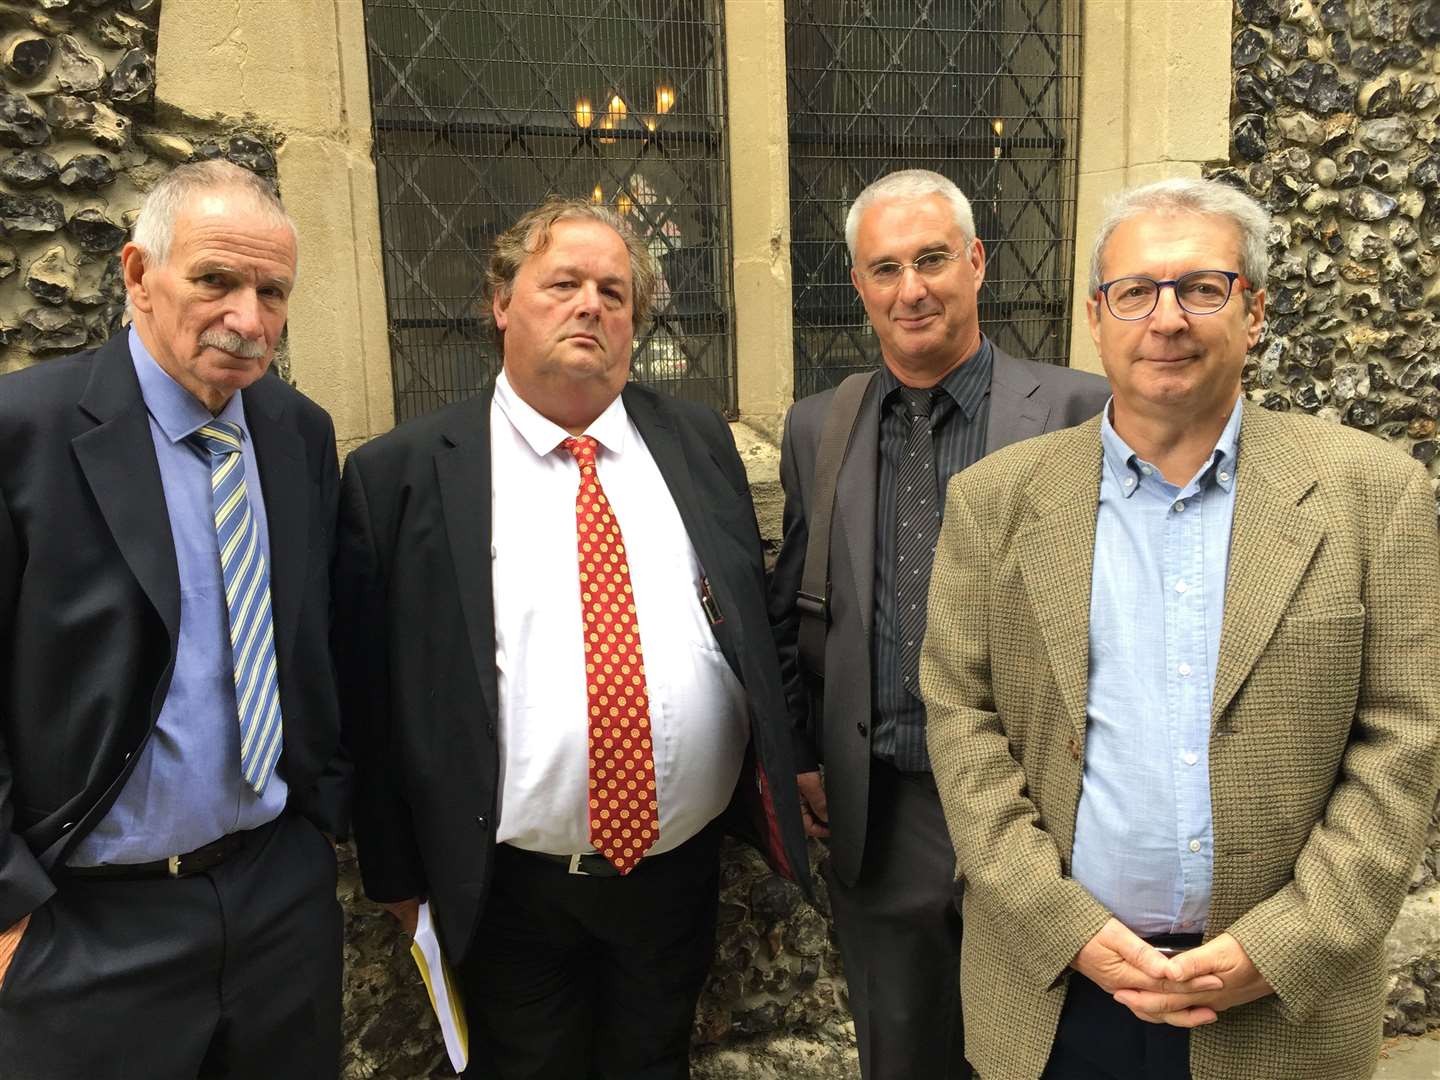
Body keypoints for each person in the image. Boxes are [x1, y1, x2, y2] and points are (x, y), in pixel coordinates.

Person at [922, 176, 1440, 1080]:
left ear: (1255, 312)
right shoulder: (997, 502)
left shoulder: (1372, 495)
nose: (1167, 319)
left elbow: (1404, 740)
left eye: (1203, 287)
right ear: (1097, 317)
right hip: (1057, 993)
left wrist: (1285, 946)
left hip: (1280, 1008)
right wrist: (1061, 925)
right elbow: (961, 721)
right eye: (1136, 292)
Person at [335, 196, 811, 1079]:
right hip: (509, 882)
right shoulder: (402, 475)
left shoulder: (699, 442)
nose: (591, 304)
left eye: (614, 291)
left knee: (657, 1059)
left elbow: (753, 617)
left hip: (678, 871)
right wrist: (397, 876)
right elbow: (373, 691)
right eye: (564, 283)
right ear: (501, 302)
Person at [0, 159, 348, 1078]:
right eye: (215, 281)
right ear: (135, 276)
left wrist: (325, 827)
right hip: (87, 928)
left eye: (272, 292)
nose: (248, 319)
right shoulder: (24, 432)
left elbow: (319, 638)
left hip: (277, 898)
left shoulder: (296, 433)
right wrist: (9, 913)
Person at [768, 169, 1107, 1079]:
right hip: (884, 805)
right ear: (860, 286)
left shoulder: (1080, 413)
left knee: (1047, 1053)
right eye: (885, 269)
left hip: (1042, 807)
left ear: (977, 263)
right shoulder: (816, 428)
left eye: (931, 260)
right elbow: (796, 600)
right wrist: (804, 751)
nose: (910, 289)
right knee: (904, 1053)